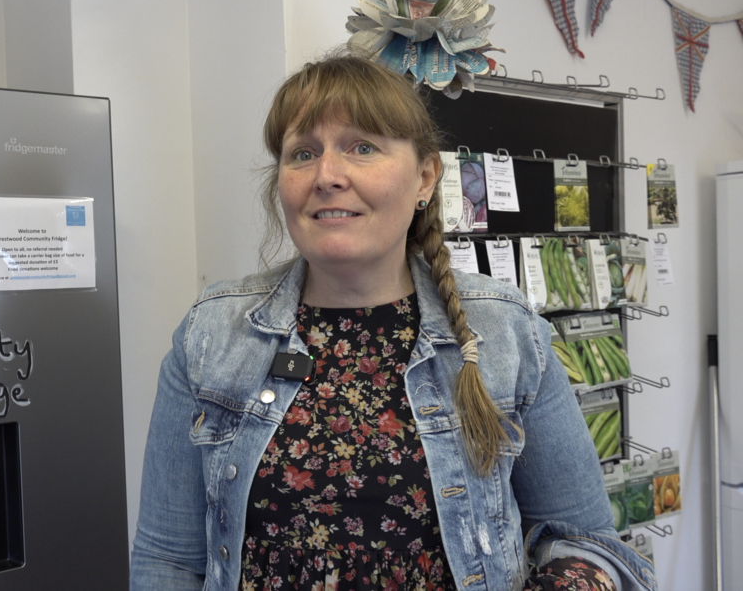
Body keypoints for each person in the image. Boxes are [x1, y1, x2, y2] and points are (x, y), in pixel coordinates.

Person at [130, 54, 656, 591]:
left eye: (362, 147)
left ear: (425, 177)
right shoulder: (212, 334)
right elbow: (167, 559)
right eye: (303, 153)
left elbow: (588, 542)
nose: (327, 176)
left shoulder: (507, 332)